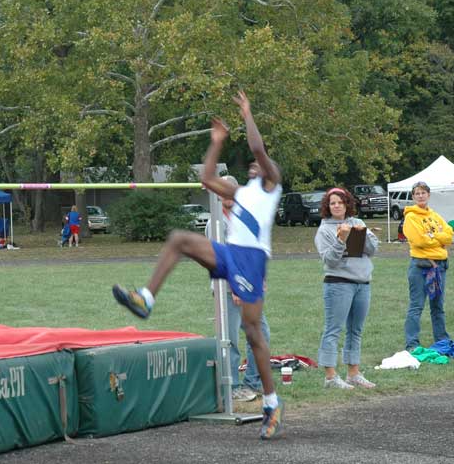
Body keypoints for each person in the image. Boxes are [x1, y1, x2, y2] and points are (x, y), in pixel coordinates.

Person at [112, 90, 284, 440]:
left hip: (251, 261)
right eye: (251, 168)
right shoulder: (241, 192)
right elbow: (206, 179)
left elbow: (258, 150)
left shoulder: (271, 185)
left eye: (258, 166)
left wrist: (247, 113)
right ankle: (146, 298)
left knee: (252, 333)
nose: (254, 166)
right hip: (230, 251)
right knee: (179, 239)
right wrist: (217, 141)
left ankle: (271, 401)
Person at [205, 173, 271, 402]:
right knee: (230, 340)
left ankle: (252, 383)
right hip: (227, 291)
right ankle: (231, 386)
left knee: (262, 335)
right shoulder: (214, 224)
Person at [314, 187, 378, 390]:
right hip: (338, 284)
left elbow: (372, 250)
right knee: (333, 330)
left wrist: (364, 235)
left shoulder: (357, 223)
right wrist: (341, 239)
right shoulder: (324, 230)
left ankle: (353, 374)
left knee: (355, 330)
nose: (337, 206)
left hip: (362, 283)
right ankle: (331, 377)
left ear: (347, 204)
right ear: (327, 206)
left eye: (340, 202)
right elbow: (330, 260)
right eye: (332, 203)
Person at [402, 181, 452, 351]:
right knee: (417, 305)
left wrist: (433, 236)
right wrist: (438, 238)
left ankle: (442, 340)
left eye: (423, 193)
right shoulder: (410, 217)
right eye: (417, 193)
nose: (421, 196)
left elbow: (450, 235)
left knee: (438, 305)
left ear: (428, 195)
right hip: (421, 266)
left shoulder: (435, 216)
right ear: (413, 196)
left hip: (439, 266)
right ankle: (412, 344)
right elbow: (419, 240)